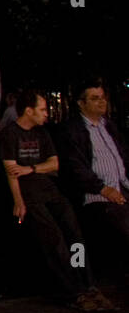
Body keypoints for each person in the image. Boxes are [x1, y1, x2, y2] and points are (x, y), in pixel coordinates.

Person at [0, 91, 116, 312]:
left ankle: (87, 284)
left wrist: (30, 169)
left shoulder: (42, 133)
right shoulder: (10, 134)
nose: (46, 114)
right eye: (42, 109)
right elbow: (11, 172)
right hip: (31, 195)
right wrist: (19, 201)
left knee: (75, 235)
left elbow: (55, 164)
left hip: (50, 191)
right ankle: (75, 290)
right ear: (28, 111)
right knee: (56, 241)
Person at [57, 79, 129, 277]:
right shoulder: (73, 131)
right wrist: (104, 189)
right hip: (97, 195)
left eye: (103, 97)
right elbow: (76, 169)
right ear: (81, 103)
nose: (101, 102)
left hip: (123, 188)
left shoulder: (110, 126)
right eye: (95, 98)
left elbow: (124, 157)